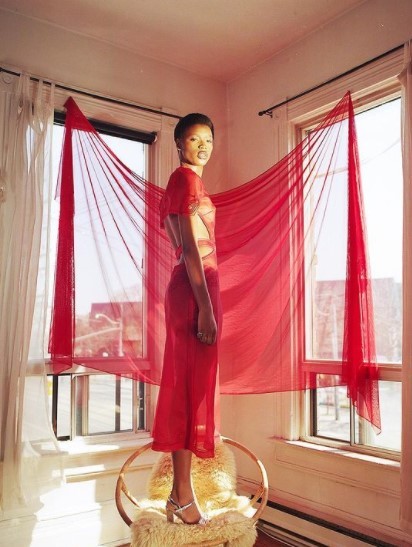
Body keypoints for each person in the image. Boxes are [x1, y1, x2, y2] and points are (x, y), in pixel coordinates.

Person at [151, 113, 222, 525]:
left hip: (193, 289)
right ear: (179, 144)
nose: (203, 146)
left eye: (208, 139)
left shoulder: (181, 184)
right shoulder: (185, 179)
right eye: (194, 139)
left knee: (188, 388)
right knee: (189, 391)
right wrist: (207, 310)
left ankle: (182, 496)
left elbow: (183, 243)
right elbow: (192, 249)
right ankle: (182, 496)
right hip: (197, 292)